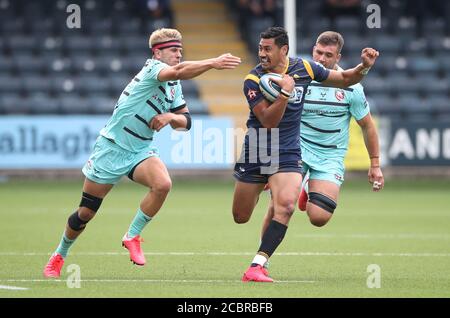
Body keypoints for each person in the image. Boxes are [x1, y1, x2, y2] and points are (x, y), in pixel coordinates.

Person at [43, 28, 241, 278]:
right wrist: (213, 62)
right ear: (157, 53)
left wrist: (171, 116)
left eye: (180, 50)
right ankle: (59, 254)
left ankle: (132, 236)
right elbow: (179, 71)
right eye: (173, 50)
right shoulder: (152, 70)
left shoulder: (173, 85)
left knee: (163, 184)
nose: (179, 54)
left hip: (141, 148)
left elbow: (187, 122)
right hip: (112, 147)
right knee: (86, 212)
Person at [231, 26, 378, 282]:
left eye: (267, 49)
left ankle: (257, 265)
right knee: (240, 216)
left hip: (288, 150)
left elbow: (345, 80)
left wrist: (363, 67)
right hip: (258, 148)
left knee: (285, 206)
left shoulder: (305, 69)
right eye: (260, 48)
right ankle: (267, 190)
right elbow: (268, 122)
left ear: (283, 50)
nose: (262, 54)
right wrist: (286, 92)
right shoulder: (252, 80)